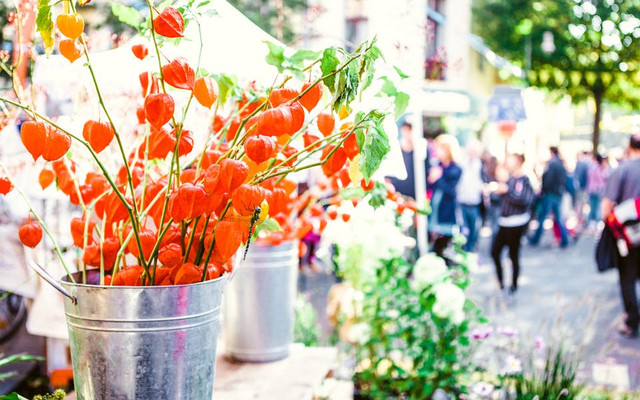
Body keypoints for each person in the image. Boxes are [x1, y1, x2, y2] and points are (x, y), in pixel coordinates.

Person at [602, 134, 640, 338]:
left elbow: (606, 207)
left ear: (629, 146)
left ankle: (632, 320)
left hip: (628, 236)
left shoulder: (622, 170)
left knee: (627, 277)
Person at [491, 154, 534, 294]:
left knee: (513, 255)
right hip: (504, 222)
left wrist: (507, 191)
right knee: (495, 252)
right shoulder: (509, 179)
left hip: (516, 223)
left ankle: (513, 285)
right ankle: (502, 283)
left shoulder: (524, 180)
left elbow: (524, 200)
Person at [428, 134, 462, 261]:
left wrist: (438, 178)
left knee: (445, 251)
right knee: (436, 250)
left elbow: (450, 192)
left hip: (446, 215)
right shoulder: (437, 166)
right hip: (435, 213)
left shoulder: (455, 169)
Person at [529, 146, 570, 247]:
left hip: (550, 194)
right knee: (558, 218)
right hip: (558, 193)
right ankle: (564, 239)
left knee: (543, 217)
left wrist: (544, 190)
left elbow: (549, 180)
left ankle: (535, 238)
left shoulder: (553, 164)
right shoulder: (561, 163)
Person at [457, 139, 485, 252]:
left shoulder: (481, 166)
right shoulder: (461, 164)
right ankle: (465, 251)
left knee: (475, 230)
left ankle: (471, 252)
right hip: (462, 202)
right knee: (464, 230)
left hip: (475, 203)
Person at [388, 122, 419, 199]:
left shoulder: (419, 150)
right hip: (399, 192)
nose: (407, 133)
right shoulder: (396, 148)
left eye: (409, 130)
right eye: (405, 130)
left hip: (415, 193)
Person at [586, 153, 609, 229]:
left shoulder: (592, 167)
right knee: (598, 206)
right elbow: (605, 177)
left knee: (593, 206)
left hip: (592, 189)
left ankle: (592, 222)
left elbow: (589, 179)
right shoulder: (602, 168)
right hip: (599, 189)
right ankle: (596, 221)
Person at [574, 151, 591, 224]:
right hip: (583, 187)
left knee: (580, 203)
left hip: (580, 187)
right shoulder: (585, 164)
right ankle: (580, 219)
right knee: (581, 204)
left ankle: (579, 218)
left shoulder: (580, 163)